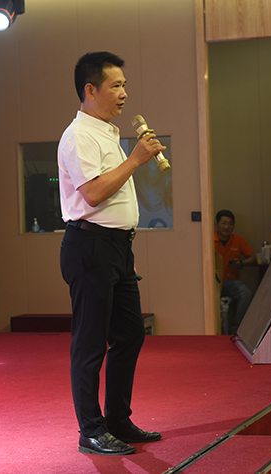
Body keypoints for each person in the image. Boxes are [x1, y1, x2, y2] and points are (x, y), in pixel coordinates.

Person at [58, 52, 164, 456]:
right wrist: (136, 159)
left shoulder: (106, 132)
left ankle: (117, 420)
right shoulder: (78, 135)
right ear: (91, 90)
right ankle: (91, 430)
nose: (124, 93)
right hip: (90, 246)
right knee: (90, 343)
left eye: (124, 85)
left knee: (131, 334)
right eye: (115, 85)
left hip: (117, 248)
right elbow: (93, 193)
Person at [214, 210, 256, 335]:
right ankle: (216, 331)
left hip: (232, 282)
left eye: (230, 224)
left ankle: (236, 329)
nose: (226, 227)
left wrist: (241, 263)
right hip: (215, 282)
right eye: (223, 223)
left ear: (233, 226)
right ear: (216, 224)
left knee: (247, 293)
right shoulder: (210, 240)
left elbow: (253, 257)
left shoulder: (238, 240)